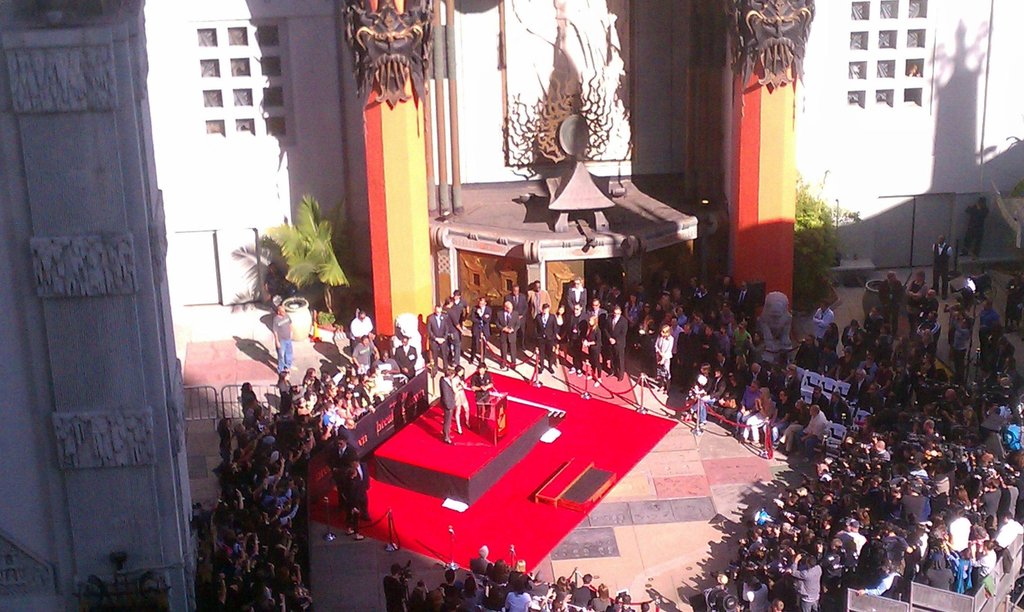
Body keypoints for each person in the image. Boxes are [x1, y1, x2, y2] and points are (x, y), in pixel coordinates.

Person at [428, 304, 456, 371]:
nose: (438, 313)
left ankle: (445, 369)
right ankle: (435, 369)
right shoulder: (430, 318)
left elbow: (447, 328)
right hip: (434, 340)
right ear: (435, 310)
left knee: (444, 355)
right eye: (437, 312)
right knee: (435, 355)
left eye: (439, 312)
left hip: (443, 339)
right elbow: (429, 330)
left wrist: (444, 338)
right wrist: (435, 338)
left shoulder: (444, 317)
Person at [606, 304, 628, 380]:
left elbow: (623, 333)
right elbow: (606, 329)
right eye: (615, 313)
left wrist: (615, 340)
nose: (616, 315)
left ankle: (620, 374)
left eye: (618, 313)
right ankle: (613, 371)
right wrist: (609, 338)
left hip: (619, 343)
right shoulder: (609, 318)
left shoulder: (624, 321)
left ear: (621, 312)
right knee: (612, 358)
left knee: (620, 359)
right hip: (610, 341)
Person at [497, 301, 521, 370]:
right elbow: (497, 323)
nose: (511, 310)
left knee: (513, 349)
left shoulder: (515, 313)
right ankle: (503, 362)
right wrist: (503, 328)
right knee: (503, 349)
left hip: (512, 335)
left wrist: (513, 330)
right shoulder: (499, 314)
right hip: (503, 335)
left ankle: (513, 363)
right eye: (509, 308)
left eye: (511, 308)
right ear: (505, 308)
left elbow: (518, 324)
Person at [504, 285, 529, 351]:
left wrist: (522, 315)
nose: (516, 292)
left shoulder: (523, 297)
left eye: (517, 291)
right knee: (512, 332)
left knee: (522, 332)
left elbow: (526, 307)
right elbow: (506, 307)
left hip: (521, 317)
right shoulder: (507, 297)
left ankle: (522, 345)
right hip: (512, 318)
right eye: (514, 291)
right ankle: (511, 347)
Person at [534, 303, 557, 373]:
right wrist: (537, 336)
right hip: (541, 338)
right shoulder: (538, 317)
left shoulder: (552, 317)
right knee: (541, 353)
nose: (545, 311)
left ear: (548, 309)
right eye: (544, 309)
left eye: (546, 309)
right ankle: (542, 366)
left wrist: (553, 339)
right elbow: (535, 328)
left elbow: (555, 328)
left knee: (550, 353)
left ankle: (550, 366)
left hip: (549, 338)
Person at [581, 314, 603, 385]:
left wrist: (589, 343)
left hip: (596, 349)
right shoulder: (590, 329)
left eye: (590, 320)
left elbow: (598, 341)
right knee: (592, 362)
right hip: (590, 348)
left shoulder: (597, 330)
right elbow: (587, 337)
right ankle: (593, 374)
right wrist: (585, 340)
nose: (589, 321)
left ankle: (599, 378)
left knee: (597, 363)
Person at [446, 291, 466, 367]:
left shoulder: (443, 310)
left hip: (446, 332)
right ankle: (456, 362)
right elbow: (456, 323)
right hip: (453, 331)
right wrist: (461, 330)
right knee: (457, 345)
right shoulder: (451, 311)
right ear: (450, 303)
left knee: (448, 345)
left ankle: (449, 359)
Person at [272, 305, 294, 374]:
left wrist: (291, 332)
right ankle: (281, 369)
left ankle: (288, 366)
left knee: (289, 353)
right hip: (281, 340)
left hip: (288, 338)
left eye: (284, 311)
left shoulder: (287, 316)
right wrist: (277, 341)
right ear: (279, 312)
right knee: (281, 355)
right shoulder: (276, 320)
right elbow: (275, 331)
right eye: (282, 312)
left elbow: (290, 324)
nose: (284, 313)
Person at [470, 297, 492, 364]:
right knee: (475, 343)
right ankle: (472, 357)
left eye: (482, 303)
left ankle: (482, 358)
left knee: (484, 345)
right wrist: (480, 320)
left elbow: (487, 320)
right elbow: (473, 318)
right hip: (476, 328)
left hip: (485, 329)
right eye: (479, 303)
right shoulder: (474, 308)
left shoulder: (488, 309)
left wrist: (481, 315)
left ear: (485, 303)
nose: (480, 304)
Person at [439, 367, 458, 444]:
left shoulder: (444, 380)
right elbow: (446, 396)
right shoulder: (444, 383)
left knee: (448, 421)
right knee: (447, 421)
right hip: (448, 404)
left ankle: (447, 434)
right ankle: (446, 437)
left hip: (449, 403)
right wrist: (449, 406)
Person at [932, 235, 952, 299]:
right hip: (936, 266)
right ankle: (935, 291)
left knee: (945, 280)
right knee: (935, 279)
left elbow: (949, 256)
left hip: (944, 266)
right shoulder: (934, 246)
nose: (939, 240)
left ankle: (944, 294)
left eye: (941, 239)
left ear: (943, 240)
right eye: (939, 239)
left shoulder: (948, 248)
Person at [655, 324, 674, 390]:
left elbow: (669, 350)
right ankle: (662, 385)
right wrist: (659, 352)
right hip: (659, 356)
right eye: (661, 331)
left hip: (666, 358)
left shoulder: (671, 339)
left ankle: (667, 388)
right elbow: (656, 345)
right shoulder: (659, 337)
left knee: (666, 373)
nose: (661, 333)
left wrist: (663, 358)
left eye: (663, 332)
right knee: (660, 372)